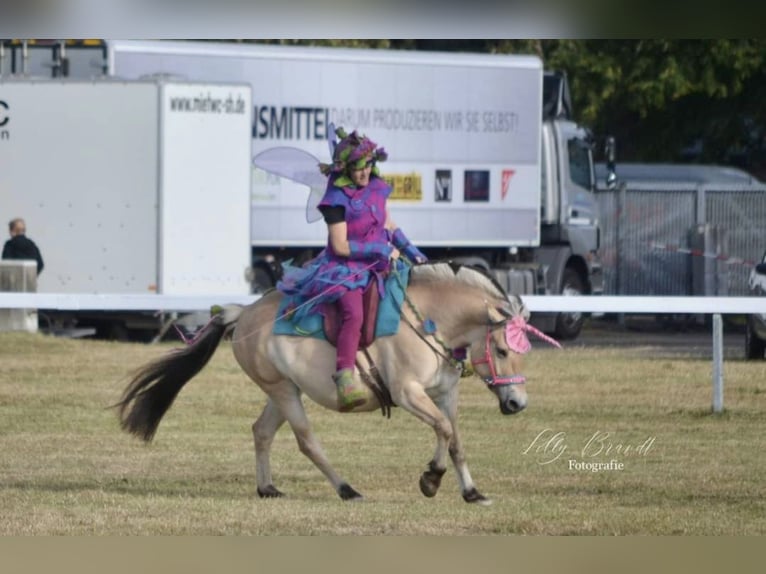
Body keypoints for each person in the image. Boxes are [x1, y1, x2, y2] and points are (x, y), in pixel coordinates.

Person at [277, 128, 427, 411]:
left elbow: (389, 226)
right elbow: (341, 246)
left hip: (378, 265)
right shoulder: (335, 200)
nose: (365, 173)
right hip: (344, 269)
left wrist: (413, 252)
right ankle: (345, 374)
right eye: (359, 168)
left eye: (369, 166)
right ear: (346, 168)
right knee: (353, 313)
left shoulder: (377, 188)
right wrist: (379, 250)